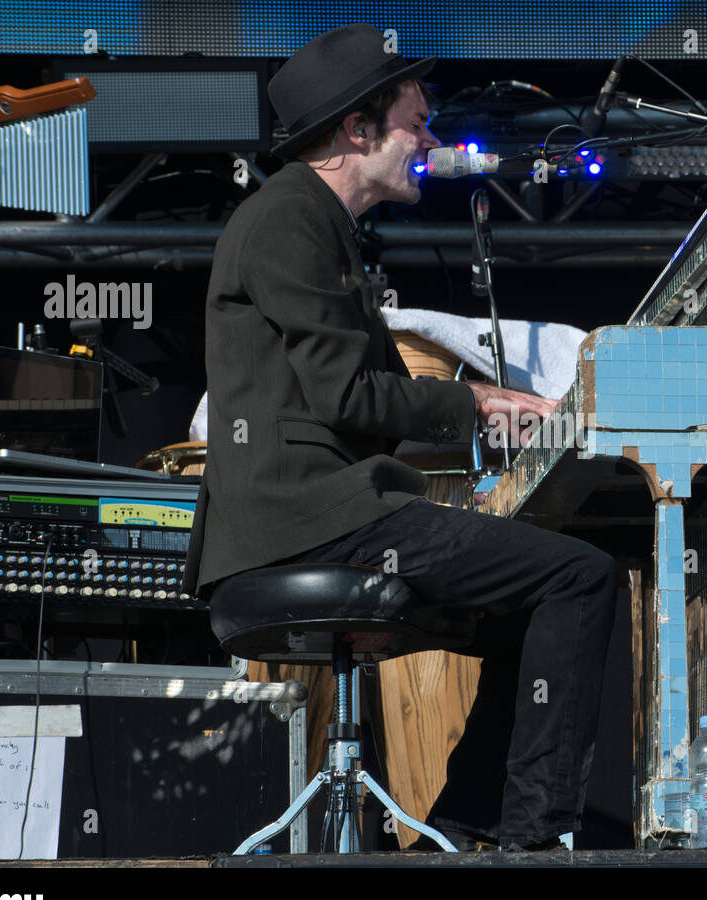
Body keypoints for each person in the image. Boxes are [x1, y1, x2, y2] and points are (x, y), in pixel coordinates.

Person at [181, 23, 618, 852]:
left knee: (535, 605)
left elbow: (343, 405)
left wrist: (484, 460)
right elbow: (349, 398)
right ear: (358, 129)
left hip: (322, 512)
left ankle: (461, 827)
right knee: (581, 577)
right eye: (417, 121)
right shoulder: (286, 219)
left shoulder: (319, 225)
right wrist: (482, 404)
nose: (431, 141)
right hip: (307, 519)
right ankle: (528, 837)